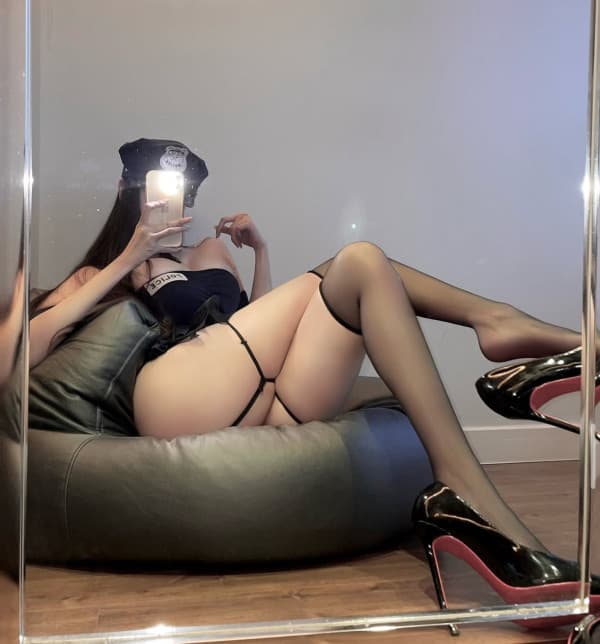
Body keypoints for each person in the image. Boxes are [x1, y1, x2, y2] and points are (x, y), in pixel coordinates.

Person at [30, 137, 598, 626]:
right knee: (360, 260)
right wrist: (131, 257)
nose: (175, 203)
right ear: (129, 192)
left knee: (361, 274)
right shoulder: (110, 269)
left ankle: (504, 533)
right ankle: (498, 330)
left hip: (254, 390)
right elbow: (29, 345)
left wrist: (261, 252)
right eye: (158, 188)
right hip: (176, 392)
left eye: (185, 192)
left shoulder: (209, 251)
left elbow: (253, 320)